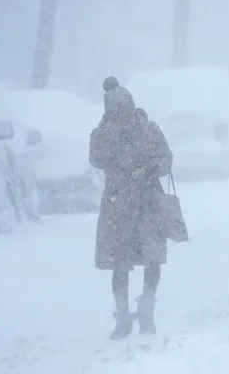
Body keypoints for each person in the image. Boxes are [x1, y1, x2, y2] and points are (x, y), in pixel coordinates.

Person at [89, 77, 173, 340]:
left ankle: (147, 314)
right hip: (119, 208)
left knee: (152, 258)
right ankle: (123, 319)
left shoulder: (149, 129)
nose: (122, 116)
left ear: (132, 107)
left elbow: (166, 159)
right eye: (116, 112)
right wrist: (108, 131)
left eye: (125, 110)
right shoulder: (103, 133)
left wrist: (148, 169)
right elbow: (96, 158)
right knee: (119, 264)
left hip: (148, 204)